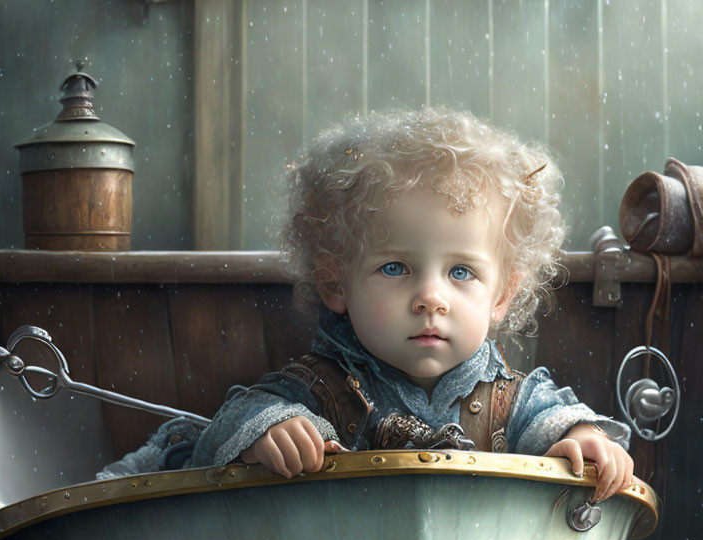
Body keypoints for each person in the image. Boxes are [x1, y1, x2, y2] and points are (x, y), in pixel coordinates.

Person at [100, 108, 633, 501]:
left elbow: (558, 418)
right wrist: (267, 432)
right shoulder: (319, 387)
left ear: (501, 295)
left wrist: (584, 440)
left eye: (461, 272)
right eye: (395, 268)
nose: (430, 297)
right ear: (336, 285)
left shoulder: (513, 401)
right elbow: (233, 419)